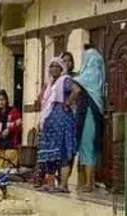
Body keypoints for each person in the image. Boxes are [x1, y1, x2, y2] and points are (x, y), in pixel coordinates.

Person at [67, 46, 106, 193]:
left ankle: (89, 183)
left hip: (88, 112)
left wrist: (67, 102)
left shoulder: (90, 74)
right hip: (95, 112)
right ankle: (91, 180)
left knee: (87, 145)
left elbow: (76, 86)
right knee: (91, 146)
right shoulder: (99, 74)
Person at [37, 57, 78, 193]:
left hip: (62, 122)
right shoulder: (50, 85)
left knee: (63, 152)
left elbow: (76, 90)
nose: (53, 68)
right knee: (49, 154)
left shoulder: (64, 81)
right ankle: (50, 184)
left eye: (56, 66)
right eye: (51, 66)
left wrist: (67, 103)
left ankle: (63, 185)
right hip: (49, 123)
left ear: (61, 69)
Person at [0, 90, 22, 170]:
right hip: (0, 148)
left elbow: (20, 125)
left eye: (2, 100)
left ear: (6, 100)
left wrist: (9, 129)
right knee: (0, 172)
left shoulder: (13, 112)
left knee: (10, 172)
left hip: (11, 146)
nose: (1, 102)